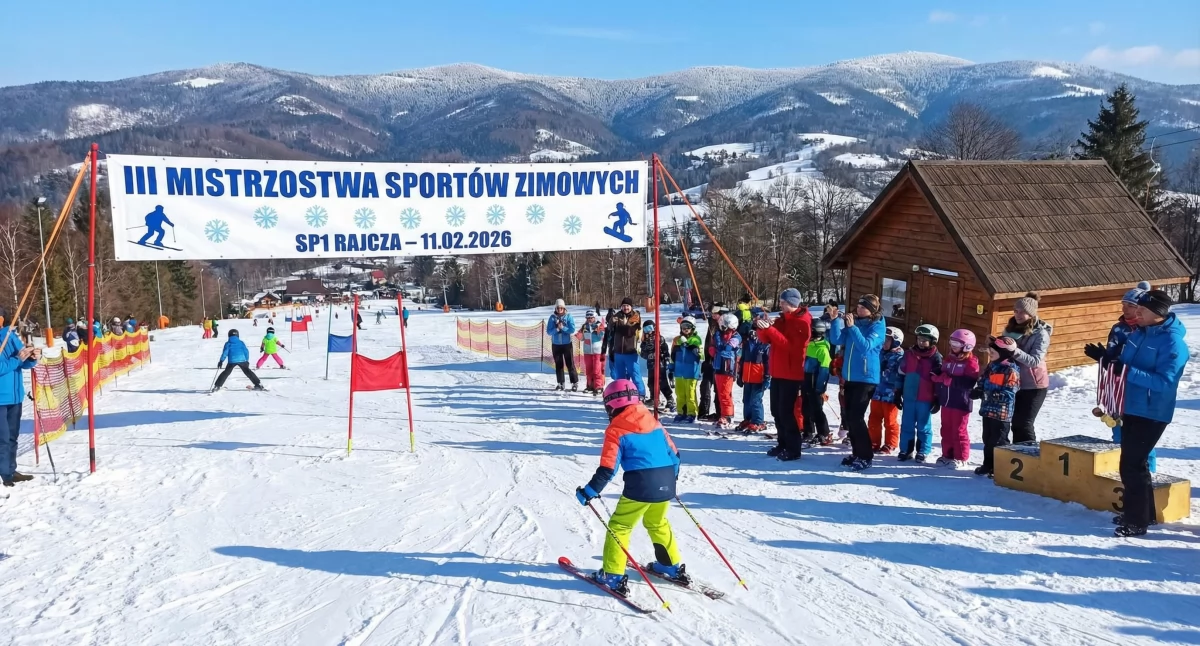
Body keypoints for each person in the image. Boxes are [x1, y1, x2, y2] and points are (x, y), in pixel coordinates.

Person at [575, 380, 686, 594]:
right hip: (666, 482)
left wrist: (589, 492)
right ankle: (670, 565)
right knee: (657, 522)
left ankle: (613, 574)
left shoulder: (616, 430)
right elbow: (676, 455)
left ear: (612, 404)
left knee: (620, 526)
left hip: (641, 485)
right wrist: (669, 481)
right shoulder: (654, 423)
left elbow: (608, 469)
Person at [1111, 290, 1188, 537]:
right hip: (1131, 406)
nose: (1136, 313)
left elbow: (1166, 382)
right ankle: (1146, 514)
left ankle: (1136, 521)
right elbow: (1123, 361)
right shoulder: (1140, 333)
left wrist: (1127, 371)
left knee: (1131, 465)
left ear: (1158, 313)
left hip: (1152, 411)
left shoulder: (1172, 342)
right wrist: (1108, 359)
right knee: (1135, 463)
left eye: (1142, 310)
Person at [1086, 282, 1156, 471]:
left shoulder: (1149, 330)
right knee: (1119, 433)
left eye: (1130, 305)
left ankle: (1149, 475)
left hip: (1138, 386)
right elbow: (1112, 356)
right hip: (1117, 387)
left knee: (1142, 438)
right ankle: (1122, 474)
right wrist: (1104, 358)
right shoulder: (1119, 328)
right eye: (1123, 304)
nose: (1125, 308)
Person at [755, 288, 812, 462]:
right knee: (776, 410)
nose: (781, 304)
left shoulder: (802, 321)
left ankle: (794, 448)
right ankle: (783, 443)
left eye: (784, 302)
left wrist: (771, 330)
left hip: (791, 373)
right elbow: (767, 340)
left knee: (786, 412)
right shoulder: (783, 319)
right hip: (778, 371)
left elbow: (790, 346)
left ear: (793, 303)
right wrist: (762, 328)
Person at [838, 295, 886, 471]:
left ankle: (866, 455)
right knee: (850, 417)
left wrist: (852, 327)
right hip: (850, 376)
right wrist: (836, 321)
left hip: (866, 379)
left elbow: (865, 346)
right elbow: (836, 340)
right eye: (857, 306)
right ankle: (857, 452)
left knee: (857, 418)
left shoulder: (878, 326)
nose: (858, 309)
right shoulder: (856, 323)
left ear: (872, 310)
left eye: (862, 307)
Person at [1002, 293, 1052, 444]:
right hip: (1015, 383)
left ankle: (1030, 455)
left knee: (1024, 424)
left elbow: (1035, 361)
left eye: (1021, 312)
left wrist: (1013, 350)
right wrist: (995, 345)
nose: (1017, 314)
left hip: (1034, 385)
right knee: (1015, 424)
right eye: (1015, 311)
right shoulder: (1011, 329)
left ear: (1030, 314)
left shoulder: (1041, 334)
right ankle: (1018, 455)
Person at [0, 310, 41, 486]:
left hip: (15, 396)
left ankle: (10, 469)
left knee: (12, 438)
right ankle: (5, 475)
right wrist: (18, 359)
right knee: (2, 439)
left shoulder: (10, 335)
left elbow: (23, 361)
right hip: (1, 399)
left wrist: (32, 357)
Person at [972, 336, 1021, 477]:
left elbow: (1009, 393)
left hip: (1001, 413)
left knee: (998, 440)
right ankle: (988, 464)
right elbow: (983, 379)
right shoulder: (992, 365)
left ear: (1005, 353)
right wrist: (979, 389)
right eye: (990, 350)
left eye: (994, 351)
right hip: (988, 410)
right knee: (987, 438)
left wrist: (988, 394)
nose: (990, 353)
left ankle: (1000, 467)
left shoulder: (1010, 370)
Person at [933, 329, 981, 469]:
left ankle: (961, 457)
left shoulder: (971, 361)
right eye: (952, 342)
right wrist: (937, 375)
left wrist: (951, 381)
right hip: (947, 401)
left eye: (957, 343)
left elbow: (970, 382)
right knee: (946, 429)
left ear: (967, 345)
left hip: (961, 402)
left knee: (959, 430)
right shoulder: (948, 358)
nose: (953, 345)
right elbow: (942, 371)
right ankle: (947, 455)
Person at [897, 325, 943, 462]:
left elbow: (938, 381)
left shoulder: (936, 358)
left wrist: (937, 398)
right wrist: (897, 391)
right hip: (909, 396)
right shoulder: (909, 354)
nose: (921, 343)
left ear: (933, 341)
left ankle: (923, 450)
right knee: (907, 424)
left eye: (924, 340)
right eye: (919, 339)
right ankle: (906, 449)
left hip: (925, 397)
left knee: (923, 425)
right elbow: (900, 373)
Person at [868, 327, 905, 455]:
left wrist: (899, 391)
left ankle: (890, 443)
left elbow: (901, 375)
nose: (883, 343)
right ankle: (874, 442)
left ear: (896, 342)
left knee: (890, 420)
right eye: (882, 340)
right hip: (877, 392)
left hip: (891, 394)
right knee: (874, 418)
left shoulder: (900, 357)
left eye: (887, 340)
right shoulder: (879, 353)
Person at [737, 310, 771, 433]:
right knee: (746, 399)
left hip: (758, 377)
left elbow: (768, 362)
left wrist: (767, 377)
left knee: (755, 400)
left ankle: (758, 421)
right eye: (755, 319)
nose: (756, 321)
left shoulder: (766, 342)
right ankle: (748, 418)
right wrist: (740, 374)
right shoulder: (748, 340)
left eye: (758, 319)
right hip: (747, 376)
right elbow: (742, 360)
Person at [801, 318, 832, 445]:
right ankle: (808, 431)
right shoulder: (808, 345)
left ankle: (823, 433)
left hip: (816, 383)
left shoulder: (822, 349)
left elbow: (824, 371)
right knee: (805, 409)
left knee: (816, 410)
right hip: (805, 381)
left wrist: (820, 388)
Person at [609, 298, 646, 398]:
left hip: (630, 351)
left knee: (635, 374)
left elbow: (630, 331)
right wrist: (611, 321)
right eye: (623, 306)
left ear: (631, 307)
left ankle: (641, 394)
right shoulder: (617, 316)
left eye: (627, 306)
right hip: (618, 352)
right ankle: (622, 395)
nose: (625, 308)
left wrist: (621, 325)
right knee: (620, 376)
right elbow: (609, 328)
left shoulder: (635, 316)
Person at [711, 313, 742, 429]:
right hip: (718, 366)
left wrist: (718, 344)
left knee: (725, 393)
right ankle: (723, 414)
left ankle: (728, 415)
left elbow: (728, 348)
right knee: (720, 393)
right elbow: (715, 347)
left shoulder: (736, 336)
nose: (722, 328)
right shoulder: (719, 334)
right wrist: (712, 349)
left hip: (728, 368)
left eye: (724, 326)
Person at [671, 316, 703, 423]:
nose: (685, 329)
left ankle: (691, 413)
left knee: (690, 393)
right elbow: (673, 356)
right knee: (680, 393)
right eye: (683, 326)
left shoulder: (696, 339)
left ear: (692, 328)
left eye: (688, 327)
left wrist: (689, 346)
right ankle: (681, 412)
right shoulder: (677, 340)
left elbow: (700, 355)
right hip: (679, 371)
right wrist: (671, 366)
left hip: (691, 370)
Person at [697, 304, 724, 421]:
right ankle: (703, 412)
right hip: (708, 359)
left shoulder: (725, 325)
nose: (713, 315)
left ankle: (720, 413)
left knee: (718, 388)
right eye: (712, 313)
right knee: (705, 386)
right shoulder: (711, 323)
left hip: (720, 361)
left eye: (716, 313)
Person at [640, 320, 674, 410]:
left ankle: (669, 398)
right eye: (646, 329)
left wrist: (666, 357)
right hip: (651, 364)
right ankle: (654, 398)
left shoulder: (659, 338)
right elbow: (642, 353)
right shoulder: (644, 341)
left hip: (660, 364)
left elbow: (665, 349)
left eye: (650, 328)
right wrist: (647, 354)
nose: (648, 331)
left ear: (654, 328)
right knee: (651, 382)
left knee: (662, 381)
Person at [547, 299, 579, 392]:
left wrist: (563, 328)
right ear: (556, 308)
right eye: (558, 308)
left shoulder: (568, 317)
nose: (559, 309)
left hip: (567, 344)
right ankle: (560, 383)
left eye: (561, 307)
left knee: (570, 364)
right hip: (556, 344)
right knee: (558, 364)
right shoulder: (552, 318)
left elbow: (572, 329)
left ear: (564, 308)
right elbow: (549, 331)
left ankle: (574, 383)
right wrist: (557, 329)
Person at [577, 310, 607, 395]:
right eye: (588, 318)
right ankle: (590, 385)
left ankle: (598, 386)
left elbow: (602, 336)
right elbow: (581, 338)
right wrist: (579, 335)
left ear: (595, 317)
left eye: (591, 317)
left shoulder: (599, 325)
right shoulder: (584, 326)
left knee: (597, 370)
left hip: (597, 351)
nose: (590, 319)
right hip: (587, 351)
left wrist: (598, 330)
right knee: (589, 370)